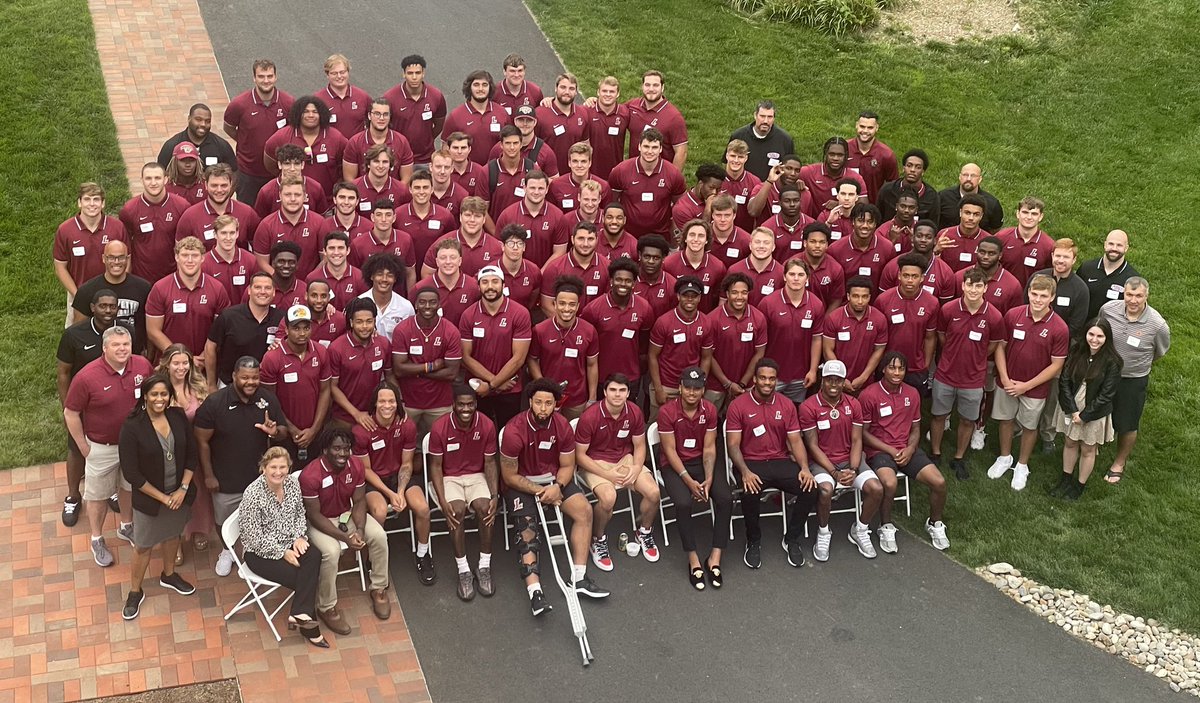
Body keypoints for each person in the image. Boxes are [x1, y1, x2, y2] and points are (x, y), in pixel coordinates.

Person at [500, 379, 610, 616]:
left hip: (554, 480)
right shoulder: (514, 429)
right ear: (530, 402)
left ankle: (579, 578)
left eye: (548, 403)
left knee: (585, 511)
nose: (543, 408)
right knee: (527, 529)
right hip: (524, 483)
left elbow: (568, 464)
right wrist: (541, 492)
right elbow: (509, 476)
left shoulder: (561, 425)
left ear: (555, 405)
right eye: (538, 402)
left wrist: (558, 487)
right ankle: (535, 592)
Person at [63, 326, 154, 566]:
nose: (123, 349)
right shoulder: (86, 376)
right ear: (104, 349)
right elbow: (71, 413)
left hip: (134, 446)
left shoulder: (143, 366)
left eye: (126, 344)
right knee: (98, 496)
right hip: (102, 447)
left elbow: (152, 397)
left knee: (128, 487)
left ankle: (126, 526)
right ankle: (97, 538)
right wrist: (84, 447)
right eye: (116, 345)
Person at [193, 356, 290, 577]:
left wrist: (274, 432)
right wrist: (208, 475)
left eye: (255, 378)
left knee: (261, 518)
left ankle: (254, 551)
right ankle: (227, 550)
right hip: (225, 478)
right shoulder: (215, 403)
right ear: (234, 376)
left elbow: (283, 431)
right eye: (245, 377)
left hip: (259, 479)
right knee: (223, 520)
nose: (250, 382)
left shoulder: (267, 399)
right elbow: (201, 440)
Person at [725, 359, 818, 569]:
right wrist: (745, 472)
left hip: (779, 460)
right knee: (750, 491)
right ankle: (753, 540)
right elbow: (732, 445)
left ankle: (792, 538)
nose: (767, 383)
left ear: (777, 381)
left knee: (810, 488)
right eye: (763, 378)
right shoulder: (738, 405)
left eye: (772, 379)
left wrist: (804, 468)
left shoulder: (786, 405)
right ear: (755, 379)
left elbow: (795, 440)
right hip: (750, 462)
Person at [300, 427, 394, 634]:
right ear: (325, 449)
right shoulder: (310, 475)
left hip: (346, 515)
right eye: (337, 449)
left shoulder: (356, 466)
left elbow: (359, 500)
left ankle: (379, 588)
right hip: (320, 522)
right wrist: (345, 538)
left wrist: (359, 529)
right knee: (332, 552)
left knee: (378, 535)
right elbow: (314, 516)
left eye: (346, 448)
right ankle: (326, 607)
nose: (343, 454)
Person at [118, 375, 197, 619]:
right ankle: (135, 591)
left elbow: (192, 454)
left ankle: (169, 575)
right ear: (145, 396)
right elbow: (132, 473)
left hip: (179, 494)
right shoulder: (132, 427)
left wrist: (182, 489)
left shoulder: (177, 416)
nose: (159, 399)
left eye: (164, 394)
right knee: (143, 545)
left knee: (173, 535)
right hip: (151, 500)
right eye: (154, 394)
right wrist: (164, 498)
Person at [985, 274, 1070, 491]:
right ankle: (1005, 457)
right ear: (1028, 293)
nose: (1037, 300)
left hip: (1034, 388)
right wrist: (1004, 378)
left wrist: (1026, 385)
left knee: (1029, 426)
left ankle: (1022, 465)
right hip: (1008, 381)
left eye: (1043, 296)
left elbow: (1056, 365)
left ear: (1052, 297)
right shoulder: (1013, 315)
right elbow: (1000, 347)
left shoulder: (1059, 327)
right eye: (1034, 294)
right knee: (1005, 420)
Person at [859, 352, 950, 552]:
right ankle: (886, 525)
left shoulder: (912, 393)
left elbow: (916, 429)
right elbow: (863, 435)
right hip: (880, 451)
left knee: (939, 482)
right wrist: (890, 450)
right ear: (883, 369)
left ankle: (935, 523)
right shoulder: (869, 395)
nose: (897, 372)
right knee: (889, 483)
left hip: (907, 449)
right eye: (892, 367)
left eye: (901, 368)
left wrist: (910, 448)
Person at [237, 447, 327, 647]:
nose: (278, 472)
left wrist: (299, 537)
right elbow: (253, 538)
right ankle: (310, 628)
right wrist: (282, 552)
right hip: (260, 552)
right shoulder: (252, 494)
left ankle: (299, 614)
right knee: (303, 579)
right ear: (263, 468)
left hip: (289, 541)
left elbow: (299, 514)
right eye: (273, 467)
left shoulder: (292, 484)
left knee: (314, 555)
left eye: (283, 467)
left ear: (289, 468)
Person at [350, 382, 434, 585]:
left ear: (398, 403)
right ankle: (374, 559)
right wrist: (391, 493)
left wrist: (401, 490)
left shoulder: (406, 425)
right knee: (379, 511)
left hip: (399, 476)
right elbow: (366, 470)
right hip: (373, 479)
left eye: (391, 401)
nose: (387, 406)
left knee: (423, 509)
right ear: (375, 403)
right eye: (382, 401)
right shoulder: (361, 430)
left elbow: (406, 463)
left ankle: (423, 554)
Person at [799, 360, 883, 561]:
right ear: (822, 381)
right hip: (821, 463)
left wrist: (853, 469)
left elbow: (856, 440)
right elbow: (812, 445)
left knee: (876, 489)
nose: (834, 385)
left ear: (844, 381)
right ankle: (823, 531)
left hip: (849, 460)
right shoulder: (808, 406)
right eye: (829, 380)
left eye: (838, 380)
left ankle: (860, 529)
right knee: (826, 490)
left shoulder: (853, 404)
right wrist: (834, 472)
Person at [575, 374, 659, 571]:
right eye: (613, 390)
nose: (617, 395)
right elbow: (580, 456)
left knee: (654, 493)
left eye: (622, 390)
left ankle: (644, 531)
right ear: (604, 392)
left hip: (624, 459)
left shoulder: (635, 412)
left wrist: (637, 467)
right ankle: (598, 539)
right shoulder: (590, 416)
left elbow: (639, 446)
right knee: (608, 498)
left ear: (629, 393)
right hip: (595, 462)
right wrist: (608, 475)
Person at [656, 367, 730, 589]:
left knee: (725, 499)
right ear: (680, 388)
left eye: (697, 389)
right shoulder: (667, 412)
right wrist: (689, 482)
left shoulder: (709, 410)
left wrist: (708, 479)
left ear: (703, 390)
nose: (691, 393)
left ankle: (715, 557)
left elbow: (709, 448)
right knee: (683, 502)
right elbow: (669, 451)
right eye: (687, 387)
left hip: (701, 462)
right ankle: (693, 559)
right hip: (674, 464)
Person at [929, 267, 1006, 479]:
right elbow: (942, 337)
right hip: (945, 374)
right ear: (963, 285)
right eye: (969, 285)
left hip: (973, 379)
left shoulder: (994, 316)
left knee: (967, 420)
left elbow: (992, 345)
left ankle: (959, 458)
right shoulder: (949, 310)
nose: (973, 290)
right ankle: (935, 453)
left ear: (985, 288)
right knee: (938, 416)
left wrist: (976, 356)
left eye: (978, 285)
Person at [427, 385, 500, 600]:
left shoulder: (486, 424)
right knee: (456, 511)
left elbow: (489, 463)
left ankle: (484, 566)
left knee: (486, 509)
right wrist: (442, 501)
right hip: (449, 477)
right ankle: (463, 570)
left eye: (470, 404)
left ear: (476, 404)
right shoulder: (440, 427)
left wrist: (495, 495)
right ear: (453, 405)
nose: (466, 408)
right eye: (461, 404)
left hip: (476, 475)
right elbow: (435, 467)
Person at [56, 290, 120, 527]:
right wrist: (67, 409)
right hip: (83, 406)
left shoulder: (123, 332)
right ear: (92, 307)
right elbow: (63, 374)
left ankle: (111, 489)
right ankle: (73, 496)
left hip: (113, 404)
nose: (107, 311)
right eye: (102, 306)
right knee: (76, 449)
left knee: (113, 449)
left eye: (112, 307)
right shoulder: (74, 335)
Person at [1100, 277, 1170, 483]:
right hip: (1104, 373)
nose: (1133, 300)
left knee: (1127, 422)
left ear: (1146, 295)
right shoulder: (1108, 309)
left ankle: (1119, 462)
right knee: (1096, 411)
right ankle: (1092, 446)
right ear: (1123, 293)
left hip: (1132, 379)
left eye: (1138, 296)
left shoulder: (1157, 325)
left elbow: (1159, 352)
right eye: (1129, 295)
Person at [1050, 320, 1122, 500]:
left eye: (1100, 336)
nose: (1094, 340)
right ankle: (1066, 479)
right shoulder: (1076, 351)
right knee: (1070, 442)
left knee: (1088, 449)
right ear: (1085, 334)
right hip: (1071, 407)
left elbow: (1107, 395)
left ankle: (1079, 485)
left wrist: (1084, 416)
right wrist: (1072, 410)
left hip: (1093, 412)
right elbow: (1064, 381)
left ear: (1107, 338)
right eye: (1091, 334)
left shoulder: (1113, 361)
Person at [459, 265, 532, 430]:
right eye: (484, 282)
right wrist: (496, 383)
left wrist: (491, 385)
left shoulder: (520, 313)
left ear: (503, 286)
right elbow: (465, 357)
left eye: (495, 282)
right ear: (478, 287)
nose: (490, 286)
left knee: (508, 434)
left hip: (510, 389)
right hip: (478, 388)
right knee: (478, 434)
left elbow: (519, 358)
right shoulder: (468, 315)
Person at [157, 344, 211, 564]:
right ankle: (174, 540)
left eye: (185, 363)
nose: (181, 367)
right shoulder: (159, 387)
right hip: (168, 453)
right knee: (172, 496)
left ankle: (198, 530)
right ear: (167, 364)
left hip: (196, 450)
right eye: (176, 363)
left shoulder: (199, 386)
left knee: (198, 493)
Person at [261, 305, 332, 466]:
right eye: (296, 328)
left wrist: (314, 430)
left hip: (314, 432)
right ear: (286, 329)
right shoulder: (272, 358)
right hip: (284, 433)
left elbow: (325, 391)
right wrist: (292, 430)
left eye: (306, 328)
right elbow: (270, 400)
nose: (302, 333)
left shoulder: (321, 352)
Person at [580, 259, 654, 408]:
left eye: (628, 281)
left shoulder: (644, 308)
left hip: (631, 377)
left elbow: (645, 342)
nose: (623, 284)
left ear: (634, 284)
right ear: (611, 281)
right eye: (619, 279)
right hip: (601, 377)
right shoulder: (593, 309)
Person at [392, 287, 462, 440]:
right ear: (415, 305)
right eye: (422, 302)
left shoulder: (451, 331)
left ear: (439, 304)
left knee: (441, 446)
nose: (427, 306)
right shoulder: (402, 329)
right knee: (407, 446)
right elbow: (399, 369)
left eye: (432, 302)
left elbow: (451, 374)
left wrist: (415, 370)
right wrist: (432, 366)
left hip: (441, 404)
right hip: (408, 402)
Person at [53, 182, 127, 326]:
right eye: (87, 199)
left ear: (103, 203)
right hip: (78, 293)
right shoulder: (65, 230)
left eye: (96, 199)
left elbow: (127, 260)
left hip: (111, 295)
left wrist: (118, 290)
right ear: (79, 203)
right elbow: (60, 267)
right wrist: (78, 295)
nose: (92, 204)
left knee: (114, 336)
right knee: (77, 336)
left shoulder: (117, 227)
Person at [223, 59, 295, 204]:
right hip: (248, 173)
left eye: (269, 76)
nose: (266, 80)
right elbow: (228, 127)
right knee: (248, 214)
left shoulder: (289, 103)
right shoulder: (239, 104)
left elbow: (294, 132)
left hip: (277, 172)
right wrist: (246, 141)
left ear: (276, 77)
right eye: (261, 76)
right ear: (254, 78)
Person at [528, 276, 599, 419]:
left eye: (572, 304)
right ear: (554, 304)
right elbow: (532, 360)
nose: (567, 309)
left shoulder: (589, 331)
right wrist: (543, 386)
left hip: (577, 399)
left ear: (578, 306)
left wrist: (592, 398)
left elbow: (592, 365)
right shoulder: (539, 330)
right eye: (562, 303)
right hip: (548, 400)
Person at [203, 272, 284, 390]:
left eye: (267, 288)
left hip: (266, 388)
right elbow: (210, 348)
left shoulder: (282, 319)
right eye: (257, 287)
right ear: (249, 291)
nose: (262, 291)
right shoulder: (229, 316)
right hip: (229, 386)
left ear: (274, 292)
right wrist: (211, 384)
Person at [648, 277, 714, 420]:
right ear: (678, 296)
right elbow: (653, 356)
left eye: (694, 296)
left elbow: (706, 357)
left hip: (691, 386)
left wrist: (700, 385)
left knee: (685, 428)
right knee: (657, 428)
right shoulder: (664, 322)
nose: (689, 300)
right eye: (685, 295)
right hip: (666, 385)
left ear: (700, 298)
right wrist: (658, 389)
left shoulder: (706, 322)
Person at [874, 253, 939, 395]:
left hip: (916, 367)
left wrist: (925, 365)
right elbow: (876, 337)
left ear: (922, 278)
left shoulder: (932, 303)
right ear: (899, 275)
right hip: (887, 366)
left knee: (912, 406)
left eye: (915, 276)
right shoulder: (883, 300)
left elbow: (930, 337)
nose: (910, 280)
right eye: (906, 275)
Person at [72, 240, 151, 353]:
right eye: (111, 258)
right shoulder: (87, 290)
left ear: (128, 259)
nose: (116, 262)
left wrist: (149, 354)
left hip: (132, 352)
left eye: (121, 257)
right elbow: (78, 329)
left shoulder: (144, 288)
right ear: (104, 258)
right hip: (97, 353)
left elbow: (150, 326)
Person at [705, 273, 767, 410]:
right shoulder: (713, 319)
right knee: (709, 424)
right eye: (734, 292)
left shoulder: (758, 318)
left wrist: (742, 383)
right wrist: (727, 384)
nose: (739, 297)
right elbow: (708, 355)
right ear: (727, 294)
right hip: (715, 386)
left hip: (745, 386)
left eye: (744, 292)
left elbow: (759, 353)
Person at [607, 128, 686, 237]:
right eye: (646, 146)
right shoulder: (621, 171)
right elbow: (612, 202)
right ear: (639, 146)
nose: (649, 151)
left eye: (654, 147)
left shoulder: (673, 174)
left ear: (661, 149)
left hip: (661, 235)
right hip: (628, 234)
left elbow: (679, 206)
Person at [120, 162, 191, 282]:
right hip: (141, 277)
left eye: (157, 178)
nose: (153, 183)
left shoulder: (182, 206)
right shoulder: (129, 210)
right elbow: (126, 246)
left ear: (165, 179)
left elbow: (189, 242)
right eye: (148, 178)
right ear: (142, 180)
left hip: (174, 276)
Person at [329, 298, 393, 430]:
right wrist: (356, 414)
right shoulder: (336, 348)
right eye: (359, 322)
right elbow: (332, 387)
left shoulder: (383, 344)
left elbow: (389, 376)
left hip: (375, 417)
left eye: (369, 321)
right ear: (351, 322)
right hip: (344, 419)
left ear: (375, 321)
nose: (364, 326)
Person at [251, 176, 331, 277]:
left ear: (305, 196)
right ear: (280, 196)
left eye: (297, 195)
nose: (292, 199)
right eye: (288, 195)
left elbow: (326, 258)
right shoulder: (266, 225)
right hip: (277, 286)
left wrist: (311, 280)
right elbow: (262, 263)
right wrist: (281, 280)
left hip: (311, 287)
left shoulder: (320, 223)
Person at [820, 276, 888, 393]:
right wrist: (841, 376)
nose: (860, 301)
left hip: (865, 382)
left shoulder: (879, 319)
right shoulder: (834, 317)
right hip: (835, 380)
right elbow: (827, 350)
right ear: (848, 296)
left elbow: (879, 350)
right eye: (856, 296)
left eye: (864, 297)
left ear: (870, 297)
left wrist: (864, 377)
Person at [174, 164, 262, 250]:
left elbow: (260, 247)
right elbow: (181, 253)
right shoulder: (190, 216)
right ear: (206, 185)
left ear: (231, 184)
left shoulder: (247, 213)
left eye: (223, 185)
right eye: (214, 185)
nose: (219, 190)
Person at [383, 54, 447, 167]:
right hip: (398, 159)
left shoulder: (436, 96)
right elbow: (383, 127)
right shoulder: (390, 98)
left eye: (417, 73)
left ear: (423, 73)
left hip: (426, 160)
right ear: (403, 74)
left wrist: (427, 139)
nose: (414, 77)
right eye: (410, 73)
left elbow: (439, 124)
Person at [494, 169, 565, 267]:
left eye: (540, 188)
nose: (536, 192)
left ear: (547, 189)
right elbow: (499, 249)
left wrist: (540, 274)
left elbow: (560, 252)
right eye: (532, 188)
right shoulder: (507, 215)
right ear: (524, 188)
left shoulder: (558, 216)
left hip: (545, 275)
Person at [539, 221, 609, 316]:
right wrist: (571, 326)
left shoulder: (607, 266)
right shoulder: (554, 268)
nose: (585, 244)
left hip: (596, 326)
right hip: (565, 326)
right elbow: (547, 305)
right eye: (581, 238)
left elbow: (609, 304)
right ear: (572, 239)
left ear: (597, 240)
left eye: (590, 239)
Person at [877, 220, 956, 302]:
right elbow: (883, 300)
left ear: (935, 240)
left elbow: (943, 308)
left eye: (928, 237)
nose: (923, 240)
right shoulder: (893, 266)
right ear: (912, 237)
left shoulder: (945, 272)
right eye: (919, 236)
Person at [421, 197, 501, 277]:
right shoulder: (441, 243)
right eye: (467, 215)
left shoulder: (496, 247)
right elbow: (427, 273)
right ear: (460, 217)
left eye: (477, 216)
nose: (472, 220)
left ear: (484, 219)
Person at [343, 97, 415, 183]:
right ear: (369, 116)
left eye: (385, 114)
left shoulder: (402, 142)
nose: (381, 118)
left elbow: (406, 179)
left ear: (390, 117)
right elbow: (349, 179)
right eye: (377, 114)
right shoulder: (355, 142)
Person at [415, 239, 481, 327]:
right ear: (437, 262)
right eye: (443, 258)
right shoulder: (420, 288)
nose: (448, 262)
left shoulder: (474, 287)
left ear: (460, 261)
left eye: (453, 257)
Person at [828, 203, 893, 291]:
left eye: (870, 222)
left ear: (875, 224)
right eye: (860, 220)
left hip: (876, 303)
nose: (865, 226)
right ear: (852, 222)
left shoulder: (887, 248)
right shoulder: (835, 249)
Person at [662, 222, 725, 313]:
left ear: (707, 240)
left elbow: (720, 300)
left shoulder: (718, 267)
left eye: (701, 236)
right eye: (692, 235)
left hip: (705, 321)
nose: (696, 239)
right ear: (685, 239)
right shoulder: (668, 264)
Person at [536, 72, 591, 175]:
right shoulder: (540, 114)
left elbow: (585, 144)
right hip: (547, 175)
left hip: (573, 174)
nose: (567, 92)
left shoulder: (583, 113)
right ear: (556, 88)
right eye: (563, 87)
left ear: (576, 92)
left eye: (571, 89)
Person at [1079, 229, 1140, 321]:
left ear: (1126, 248)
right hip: (1083, 327)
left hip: (1112, 331)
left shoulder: (1132, 278)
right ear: (1105, 245)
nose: (1114, 248)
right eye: (1111, 244)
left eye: (1119, 245)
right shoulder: (1087, 268)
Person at [254, 144, 330, 218]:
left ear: (302, 165)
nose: (292, 169)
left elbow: (322, 218)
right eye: (287, 164)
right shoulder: (266, 192)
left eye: (296, 164)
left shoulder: (316, 188)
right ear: (279, 165)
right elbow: (260, 220)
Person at [799, 138, 867, 219]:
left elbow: (863, 206)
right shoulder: (808, 172)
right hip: (813, 225)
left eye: (840, 155)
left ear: (846, 156)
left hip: (843, 225)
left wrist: (841, 205)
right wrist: (795, 182)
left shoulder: (855, 177)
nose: (835, 158)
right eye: (831, 154)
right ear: (825, 154)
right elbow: (786, 176)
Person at [157, 103, 237, 172]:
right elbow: (161, 172)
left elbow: (234, 173)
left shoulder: (222, 146)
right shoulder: (172, 146)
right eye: (198, 119)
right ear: (189, 119)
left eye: (207, 121)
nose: (203, 124)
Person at [727, 100, 794, 181]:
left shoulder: (785, 140)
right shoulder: (739, 135)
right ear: (755, 115)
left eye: (769, 117)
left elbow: (790, 168)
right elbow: (728, 163)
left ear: (774, 118)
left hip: (771, 188)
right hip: (744, 188)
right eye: (762, 116)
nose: (765, 121)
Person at [201, 214, 260, 303]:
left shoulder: (250, 260)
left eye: (232, 233)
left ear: (237, 234)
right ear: (215, 234)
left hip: (243, 315)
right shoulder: (203, 263)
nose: (228, 238)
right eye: (223, 233)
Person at [996, 197, 1053, 286]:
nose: (1029, 217)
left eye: (1034, 214)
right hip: (1003, 292)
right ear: (1018, 214)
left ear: (1041, 216)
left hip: (1032, 296)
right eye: (1025, 212)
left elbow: (1050, 276)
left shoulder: (1049, 246)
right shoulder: (1001, 237)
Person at [846, 110, 899, 204]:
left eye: (870, 127)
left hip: (873, 209)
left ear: (876, 128)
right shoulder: (844, 149)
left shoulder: (886, 155)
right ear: (856, 125)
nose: (865, 131)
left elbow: (893, 186)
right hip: (846, 206)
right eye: (862, 126)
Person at [358, 252, 415, 339]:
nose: (384, 279)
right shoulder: (358, 303)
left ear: (395, 278)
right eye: (380, 274)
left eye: (390, 275)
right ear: (372, 276)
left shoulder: (406, 307)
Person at [877, 149, 938, 226]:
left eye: (918, 167)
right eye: (909, 165)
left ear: (923, 172)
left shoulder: (932, 197)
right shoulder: (887, 190)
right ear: (903, 168)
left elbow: (933, 226)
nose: (912, 170)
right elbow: (877, 219)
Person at [726, 227, 783, 308]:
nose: (761, 246)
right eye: (757, 242)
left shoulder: (781, 273)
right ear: (750, 245)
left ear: (773, 247)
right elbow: (725, 302)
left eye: (766, 243)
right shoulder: (734, 270)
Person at [938, 163, 1003, 233]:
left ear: (980, 179)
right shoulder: (943, 197)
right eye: (965, 175)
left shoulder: (992, 203)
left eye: (973, 176)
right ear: (960, 177)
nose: (968, 179)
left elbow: (995, 230)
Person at [319, 54, 371, 140]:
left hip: (356, 150)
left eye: (342, 72)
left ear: (348, 72)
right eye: (334, 73)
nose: (339, 76)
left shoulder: (362, 97)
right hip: (332, 150)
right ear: (327, 75)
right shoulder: (318, 100)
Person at [586, 75, 629, 179]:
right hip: (590, 171)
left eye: (612, 91)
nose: (608, 95)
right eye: (604, 91)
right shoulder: (586, 111)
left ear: (617, 93)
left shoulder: (625, 113)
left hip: (615, 170)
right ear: (598, 92)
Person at [936, 194, 991, 274]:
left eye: (976, 214)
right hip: (947, 281)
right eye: (967, 213)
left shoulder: (987, 240)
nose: (971, 218)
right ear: (960, 212)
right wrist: (936, 250)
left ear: (981, 216)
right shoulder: (945, 235)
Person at [549, 144, 610, 214]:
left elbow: (606, 216)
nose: (579, 165)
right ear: (569, 163)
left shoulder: (603, 186)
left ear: (590, 163)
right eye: (575, 161)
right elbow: (552, 214)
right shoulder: (556, 185)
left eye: (583, 161)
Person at [797, 223, 844, 310]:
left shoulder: (836, 269)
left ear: (827, 245)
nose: (817, 246)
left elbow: (836, 300)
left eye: (822, 242)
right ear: (805, 243)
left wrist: (825, 321)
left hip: (823, 317)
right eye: (813, 241)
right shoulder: (792, 264)